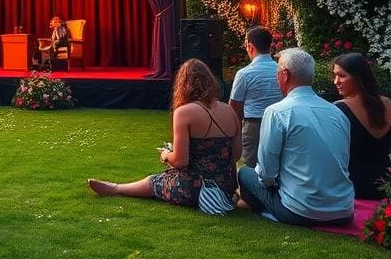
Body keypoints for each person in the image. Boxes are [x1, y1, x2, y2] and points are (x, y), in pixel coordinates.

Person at [87, 59, 240, 209]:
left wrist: (166, 154)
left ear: (183, 84)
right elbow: (236, 155)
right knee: (169, 175)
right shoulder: (230, 111)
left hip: (195, 189)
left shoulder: (184, 112)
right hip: (226, 188)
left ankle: (117, 188)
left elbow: (181, 162)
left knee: (156, 181)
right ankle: (116, 188)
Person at [238, 48, 354, 225]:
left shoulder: (277, 112)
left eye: (277, 72)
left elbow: (266, 174)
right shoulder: (337, 113)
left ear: (285, 75)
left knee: (245, 173)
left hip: (300, 211)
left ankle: (258, 207)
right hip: (343, 210)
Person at [333, 52, 391, 199]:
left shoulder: (339, 109)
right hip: (384, 184)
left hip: (352, 187)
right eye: (335, 75)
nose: (336, 81)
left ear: (358, 77)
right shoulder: (387, 103)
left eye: (342, 75)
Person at [228, 26, 282, 167]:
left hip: (255, 126)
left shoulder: (245, 74)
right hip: (281, 123)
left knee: (253, 168)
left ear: (250, 46)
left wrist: (234, 135)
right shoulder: (281, 71)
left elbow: (234, 108)